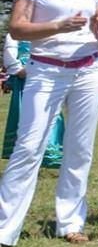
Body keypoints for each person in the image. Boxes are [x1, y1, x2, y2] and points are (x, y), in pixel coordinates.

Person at [0, 0, 98, 247]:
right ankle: (4, 229)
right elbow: (17, 29)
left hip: (90, 71)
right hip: (45, 71)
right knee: (28, 146)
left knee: (80, 149)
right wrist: (58, 26)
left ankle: (70, 223)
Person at [3, 34, 64, 169]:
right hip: (25, 76)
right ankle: (25, 154)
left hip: (46, 74)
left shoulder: (49, 30)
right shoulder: (16, 33)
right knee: (26, 115)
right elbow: (10, 51)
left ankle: (50, 154)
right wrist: (18, 69)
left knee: (50, 112)